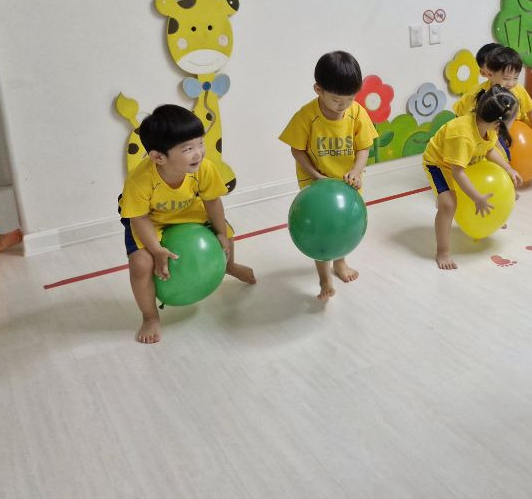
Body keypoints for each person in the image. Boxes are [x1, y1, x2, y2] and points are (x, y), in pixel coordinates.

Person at [119, 104, 256, 344]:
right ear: (158, 157)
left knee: (226, 233)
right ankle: (150, 316)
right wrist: (157, 250)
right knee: (140, 264)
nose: (198, 153)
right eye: (188, 149)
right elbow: (138, 218)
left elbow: (212, 201)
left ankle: (229, 266)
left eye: (200, 143)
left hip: (190, 213)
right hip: (151, 222)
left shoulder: (204, 168)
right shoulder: (140, 181)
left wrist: (220, 234)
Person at [279, 51, 378, 300]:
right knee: (322, 230)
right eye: (336, 99)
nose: (343, 105)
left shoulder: (357, 113)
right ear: (318, 90)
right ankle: (324, 279)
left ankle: (340, 262)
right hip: (317, 185)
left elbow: (364, 147)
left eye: (350, 98)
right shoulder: (306, 116)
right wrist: (315, 176)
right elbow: (297, 149)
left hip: (347, 183)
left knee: (342, 225)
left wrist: (356, 171)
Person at [423, 86, 522, 270]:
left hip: (466, 159)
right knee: (448, 205)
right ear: (498, 123)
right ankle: (442, 252)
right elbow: (457, 172)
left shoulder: (488, 128)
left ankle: (484, 216)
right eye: (514, 119)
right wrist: (477, 198)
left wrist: (509, 169)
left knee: (488, 184)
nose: (515, 122)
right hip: (440, 163)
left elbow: (489, 150)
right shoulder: (463, 136)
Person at [453, 46, 532, 147]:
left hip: (518, 128)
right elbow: (463, 116)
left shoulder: (518, 89)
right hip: (493, 131)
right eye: (505, 78)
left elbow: (531, 111)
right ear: (490, 74)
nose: (511, 83)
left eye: (515, 78)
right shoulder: (478, 93)